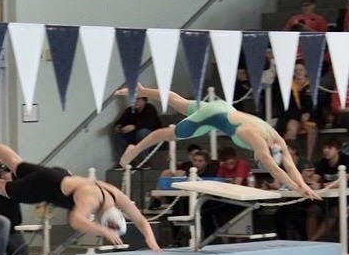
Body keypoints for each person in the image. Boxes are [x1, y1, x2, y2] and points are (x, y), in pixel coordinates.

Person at [0, 127, 161, 250]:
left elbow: (141, 220)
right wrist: (102, 231)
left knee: (15, 163)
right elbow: (76, 220)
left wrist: (151, 240)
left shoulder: (116, 196)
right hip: (45, 185)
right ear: (105, 219)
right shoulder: (92, 200)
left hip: (59, 175)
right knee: (7, 188)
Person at [117, 84, 322, 200]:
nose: (260, 159)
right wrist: (298, 189)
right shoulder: (258, 140)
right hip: (214, 116)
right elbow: (277, 171)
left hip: (222, 109)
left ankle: (143, 90)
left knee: (176, 100)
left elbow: (289, 165)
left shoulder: (277, 138)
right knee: (168, 134)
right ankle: (135, 148)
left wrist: (303, 185)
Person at [277, 61, 319, 159]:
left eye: (301, 70)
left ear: (306, 71)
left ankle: (308, 159)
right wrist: (299, 116)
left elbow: (317, 104)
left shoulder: (313, 85)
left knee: (312, 129)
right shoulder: (287, 86)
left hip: (309, 117)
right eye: (295, 70)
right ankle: (288, 158)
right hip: (292, 116)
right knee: (292, 127)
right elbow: (284, 106)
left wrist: (308, 113)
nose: (298, 72)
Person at [111, 96, 162, 162]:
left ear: (144, 100)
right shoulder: (130, 110)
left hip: (152, 136)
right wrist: (118, 126)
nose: (135, 101)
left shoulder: (150, 108)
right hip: (135, 137)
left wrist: (134, 127)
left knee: (142, 132)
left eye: (138, 99)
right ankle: (124, 161)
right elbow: (122, 120)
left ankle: (144, 160)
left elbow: (150, 123)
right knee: (118, 135)